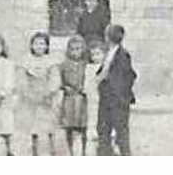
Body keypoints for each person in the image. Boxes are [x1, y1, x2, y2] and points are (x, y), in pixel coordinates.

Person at [94, 23, 136, 156]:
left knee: (121, 133)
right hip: (107, 99)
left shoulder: (123, 55)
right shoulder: (109, 53)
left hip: (117, 100)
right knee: (103, 130)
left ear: (107, 37)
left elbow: (127, 76)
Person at [18, 31, 60, 156]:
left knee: (49, 122)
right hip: (31, 97)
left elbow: (55, 80)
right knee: (33, 124)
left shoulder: (51, 62)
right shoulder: (26, 60)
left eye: (42, 44)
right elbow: (21, 80)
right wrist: (28, 93)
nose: (39, 47)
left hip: (46, 97)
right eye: (36, 44)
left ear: (47, 46)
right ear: (31, 46)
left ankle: (52, 147)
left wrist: (49, 93)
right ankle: (34, 148)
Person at [56, 34, 91, 156]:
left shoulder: (86, 64)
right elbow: (59, 81)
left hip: (82, 99)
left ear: (83, 50)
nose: (75, 52)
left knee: (83, 126)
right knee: (69, 126)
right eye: (73, 49)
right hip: (69, 98)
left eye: (78, 49)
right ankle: (70, 151)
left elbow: (90, 79)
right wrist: (65, 87)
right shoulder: (64, 65)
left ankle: (83, 151)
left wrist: (85, 87)